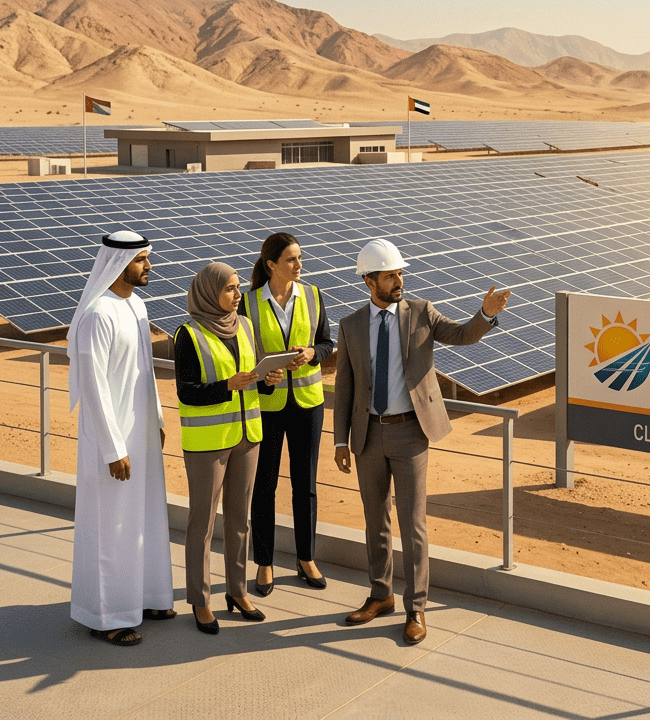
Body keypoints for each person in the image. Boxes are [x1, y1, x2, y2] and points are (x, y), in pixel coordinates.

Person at [334, 238, 510, 644]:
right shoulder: (351, 325)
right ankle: (381, 595)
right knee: (375, 521)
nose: (399, 280)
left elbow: (463, 334)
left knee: (413, 524)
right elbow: (345, 385)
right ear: (369, 281)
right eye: (390, 275)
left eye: (400, 273)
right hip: (367, 436)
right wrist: (341, 441)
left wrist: (485, 314)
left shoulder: (422, 312)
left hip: (411, 432)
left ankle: (416, 608)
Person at [68, 230, 175, 646]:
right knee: (112, 525)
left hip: (142, 432)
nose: (149, 266)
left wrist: (159, 418)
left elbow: (144, 371)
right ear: (118, 264)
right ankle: (107, 616)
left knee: (145, 517)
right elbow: (94, 388)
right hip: (111, 441)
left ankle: (148, 596)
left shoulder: (137, 304)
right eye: (142, 260)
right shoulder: (98, 314)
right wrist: (114, 447)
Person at [175, 262, 281, 634]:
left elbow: (253, 383)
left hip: (248, 436)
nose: (238, 295)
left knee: (240, 520)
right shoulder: (188, 334)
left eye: (238, 288)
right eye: (230, 289)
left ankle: (237, 592)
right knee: (201, 524)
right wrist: (227, 386)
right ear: (209, 292)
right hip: (207, 445)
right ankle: (200, 601)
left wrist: (266, 380)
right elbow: (186, 391)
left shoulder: (246, 327)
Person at [241, 232, 334, 596]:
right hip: (266, 407)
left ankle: (305, 558)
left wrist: (313, 354)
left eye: (300, 258)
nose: (299, 265)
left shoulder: (312, 295)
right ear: (271, 265)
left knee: (305, 486)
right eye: (292, 259)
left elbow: (327, 343)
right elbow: (244, 359)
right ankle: (264, 563)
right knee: (264, 486)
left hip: (309, 404)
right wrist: (264, 377)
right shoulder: (247, 304)